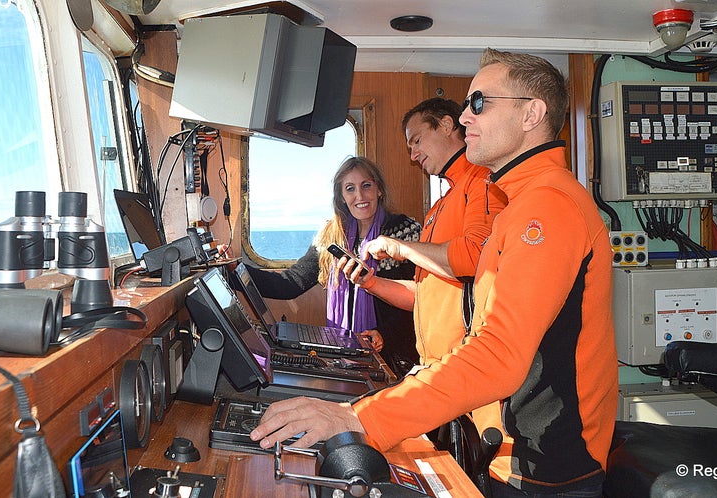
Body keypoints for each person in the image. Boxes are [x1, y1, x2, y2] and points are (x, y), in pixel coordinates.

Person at [251, 49, 618, 497]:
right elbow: (469, 312)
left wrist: (358, 417)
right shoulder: (521, 203)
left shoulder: (548, 208)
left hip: (549, 458)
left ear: (532, 114)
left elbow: (500, 353)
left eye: (478, 103)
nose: (463, 118)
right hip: (509, 440)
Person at [352, 98, 508, 365]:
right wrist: (371, 283)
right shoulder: (442, 205)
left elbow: (473, 260)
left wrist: (402, 248)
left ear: (446, 125)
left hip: (467, 363)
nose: (413, 155)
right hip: (437, 363)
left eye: (417, 141)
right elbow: (425, 295)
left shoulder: (482, 183)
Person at [242, 156, 422, 376]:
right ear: (342, 197)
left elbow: (421, 300)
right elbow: (289, 284)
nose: (360, 196)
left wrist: (383, 334)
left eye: (366, 185)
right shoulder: (331, 235)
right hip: (344, 354)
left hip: (395, 356)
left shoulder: (404, 231)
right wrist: (236, 271)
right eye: (350, 189)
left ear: (379, 190)